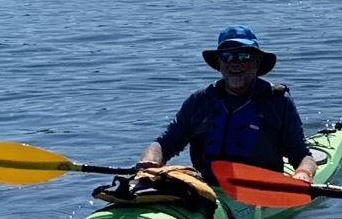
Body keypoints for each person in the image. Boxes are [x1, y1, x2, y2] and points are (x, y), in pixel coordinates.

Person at [136, 25, 318, 188]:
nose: (235, 63)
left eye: (244, 56)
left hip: (258, 189)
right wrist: (150, 161)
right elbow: (164, 143)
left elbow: (302, 156)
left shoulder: (277, 101)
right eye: (227, 56)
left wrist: (304, 173)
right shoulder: (200, 100)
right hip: (205, 187)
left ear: (257, 61)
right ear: (219, 63)